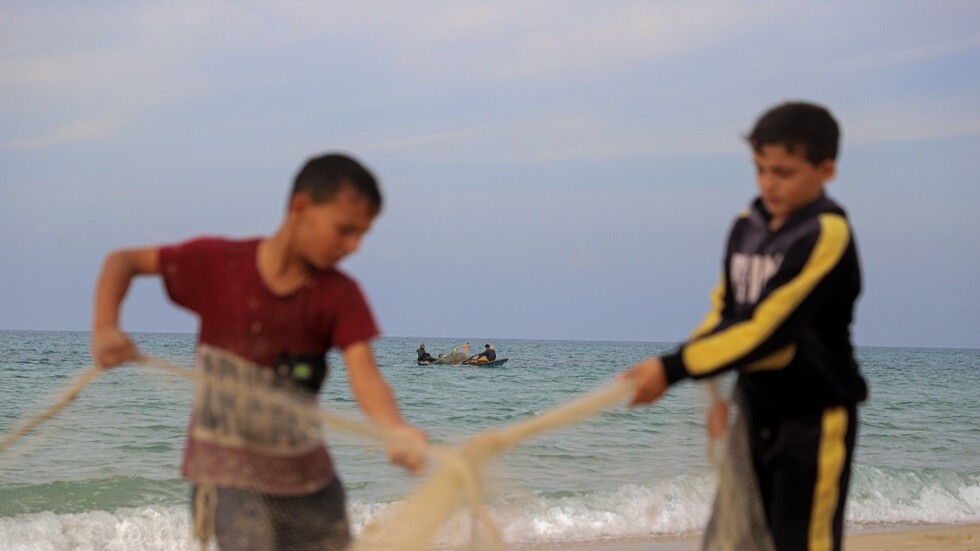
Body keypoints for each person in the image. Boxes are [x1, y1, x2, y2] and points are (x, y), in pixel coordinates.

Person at [90, 152, 427, 551]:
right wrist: (106, 327)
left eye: (362, 235)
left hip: (309, 479)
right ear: (300, 207)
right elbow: (123, 262)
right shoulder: (218, 265)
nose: (353, 246)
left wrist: (394, 427)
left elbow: (364, 372)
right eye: (344, 230)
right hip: (229, 477)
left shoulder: (339, 294)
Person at [622, 101, 866, 551]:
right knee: (741, 535)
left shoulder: (826, 233)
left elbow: (770, 329)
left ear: (826, 169)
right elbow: (725, 314)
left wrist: (674, 368)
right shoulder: (745, 227)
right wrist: (710, 382)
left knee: (802, 541)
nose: (767, 183)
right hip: (756, 411)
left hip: (814, 418)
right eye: (759, 169)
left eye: (783, 171)